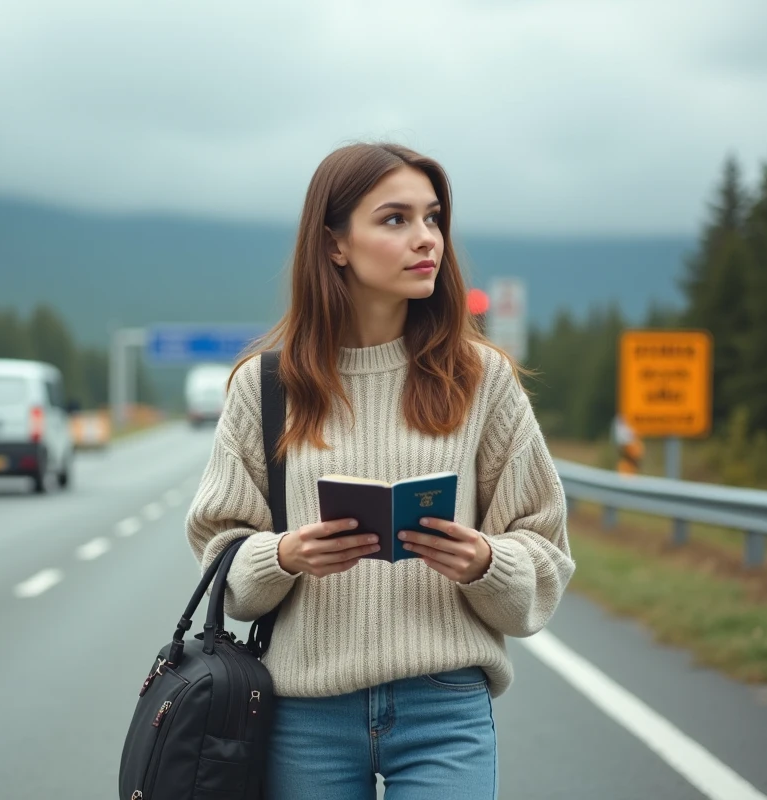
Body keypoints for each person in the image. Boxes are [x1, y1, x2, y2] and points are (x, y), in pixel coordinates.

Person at [185, 143, 575, 800]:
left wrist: (484, 560)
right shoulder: (267, 387)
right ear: (335, 243)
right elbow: (222, 565)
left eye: (433, 218)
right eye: (395, 219)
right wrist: (284, 554)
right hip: (304, 709)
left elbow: (545, 557)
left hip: (445, 705)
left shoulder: (484, 382)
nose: (425, 239)